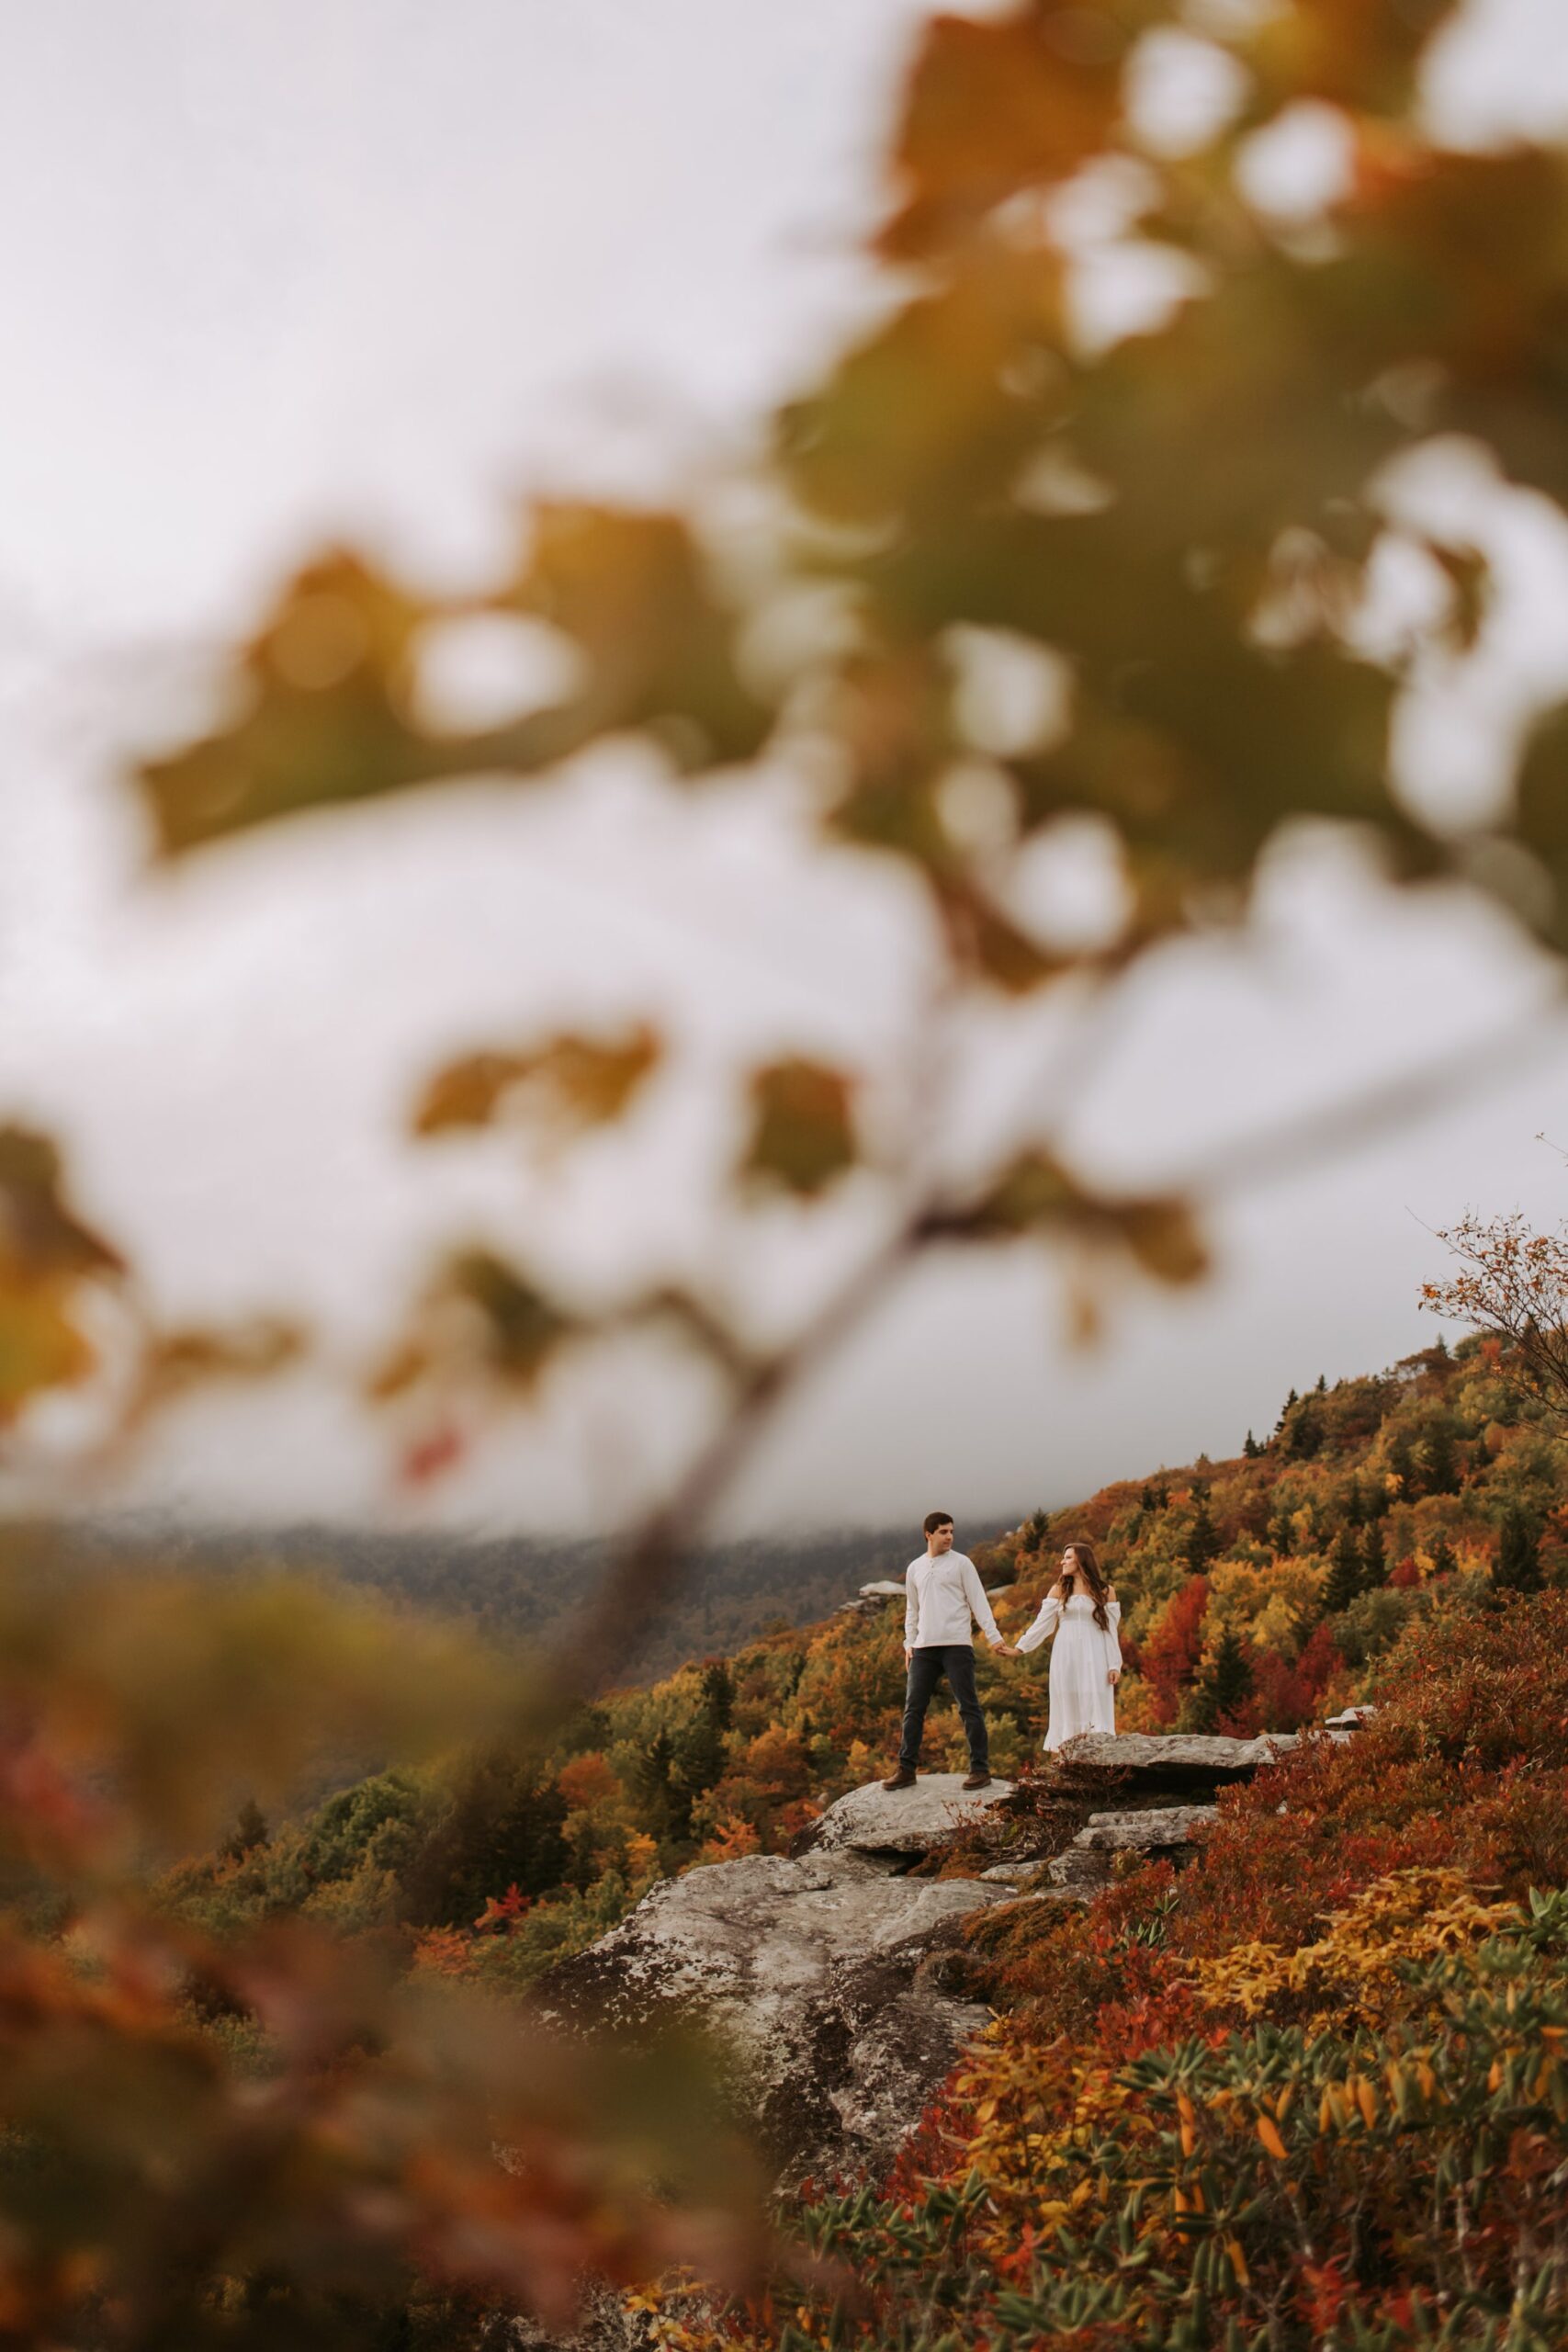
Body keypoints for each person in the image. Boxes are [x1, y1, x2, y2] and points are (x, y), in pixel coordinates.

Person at [883, 1512, 1009, 1792]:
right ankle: (906, 1769)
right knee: (913, 1709)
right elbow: (912, 1610)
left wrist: (994, 1637)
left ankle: (980, 1769)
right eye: (942, 1532)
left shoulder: (962, 1564)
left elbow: (979, 1603)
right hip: (923, 1649)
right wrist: (909, 1643)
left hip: (957, 1645)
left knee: (968, 1706)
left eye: (951, 1531)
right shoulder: (915, 1568)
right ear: (928, 1534)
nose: (949, 1536)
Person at [1014, 1540, 1122, 1750]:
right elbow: (1041, 1626)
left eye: (1068, 1557)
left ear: (1082, 1560)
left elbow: (1111, 1630)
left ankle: (1100, 1758)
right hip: (1066, 1653)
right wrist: (1019, 1647)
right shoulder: (1058, 1590)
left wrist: (1114, 1664)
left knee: (1096, 1700)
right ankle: (1068, 1761)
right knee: (1068, 1701)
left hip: (1096, 1652)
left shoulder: (1106, 1591)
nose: (1062, 1561)